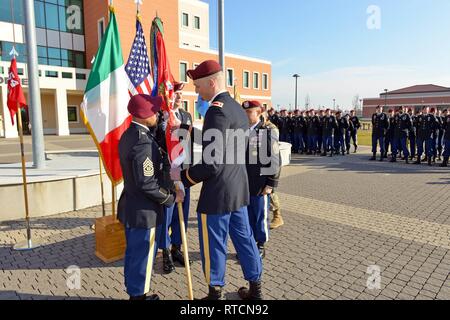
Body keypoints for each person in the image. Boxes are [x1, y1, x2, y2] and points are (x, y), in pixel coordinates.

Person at [170, 60, 263, 300]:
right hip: (238, 189)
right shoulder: (233, 107)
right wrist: (186, 129)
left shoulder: (216, 110)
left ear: (211, 82)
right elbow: (222, 142)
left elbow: (212, 163)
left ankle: (215, 293)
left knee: (214, 245)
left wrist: (182, 177)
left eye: (198, 85)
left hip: (219, 194)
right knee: (245, 240)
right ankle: (256, 289)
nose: (196, 90)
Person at [117, 94, 184, 300]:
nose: (157, 114)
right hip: (144, 211)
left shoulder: (130, 135)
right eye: (153, 111)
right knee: (143, 256)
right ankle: (139, 295)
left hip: (133, 206)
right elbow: (147, 183)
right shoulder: (142, 143)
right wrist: (170, 198)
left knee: (134, 254)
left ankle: (134, 291)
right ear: (145, 115)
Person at [242, 100, 281, 258]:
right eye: (244, 112)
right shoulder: (241, 132)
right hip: (244, 183)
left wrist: (271, 183)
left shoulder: (266, 132)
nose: (245, 115)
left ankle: (260, 244)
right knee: (247, 216)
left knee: (259, 216)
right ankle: (250, 244)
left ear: (258, 113)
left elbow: (275, 159)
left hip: (260, 183)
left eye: (249, 112)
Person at [166, 82, 194, 267]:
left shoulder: (186, 115)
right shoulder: (162, 115)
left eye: (181, 94)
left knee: (182, 212)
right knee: (167, 214)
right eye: (176, 93)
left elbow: (189, 143)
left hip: (184, 172)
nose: (179, 97)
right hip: (168, 173)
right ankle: (165, 251)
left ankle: (177, 247)